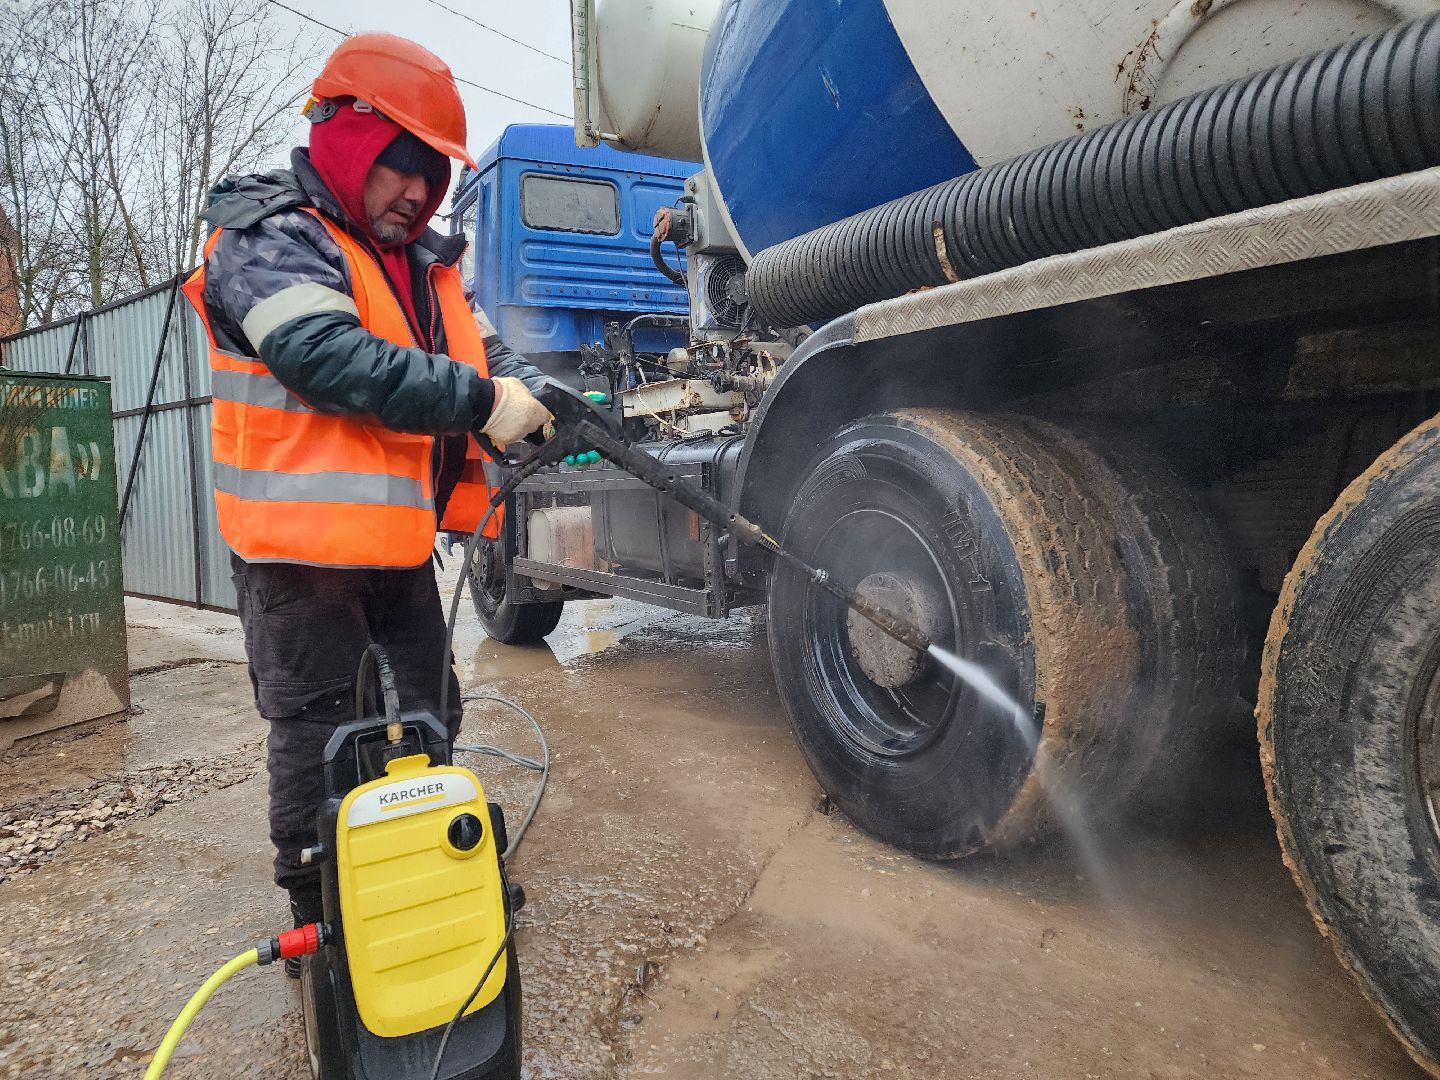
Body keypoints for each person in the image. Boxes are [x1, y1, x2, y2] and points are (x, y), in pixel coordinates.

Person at [181, 33, 551, 968]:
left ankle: (432, 870)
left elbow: (470, 358)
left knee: (430, 711)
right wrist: (481, 402)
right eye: (404, 166)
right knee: (315, 733)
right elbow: (325, 358)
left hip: (392, 548)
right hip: (297, 559)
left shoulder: (418, 261)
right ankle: (323, 926)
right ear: (347, 136)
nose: (421, 192)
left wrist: (531, 392)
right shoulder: (270, 235)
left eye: (433, 173)